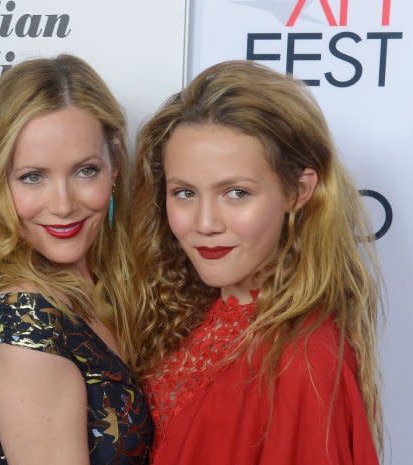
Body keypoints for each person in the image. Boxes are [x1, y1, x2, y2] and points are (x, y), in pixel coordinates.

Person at [130, 60, 382, 465]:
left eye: (236, 193)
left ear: (297, 192)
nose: (206, 224)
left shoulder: (304, 362)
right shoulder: (193, 309)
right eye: (184, 193)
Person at [0, 54, 153, 465]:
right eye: (33, 177)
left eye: (85, 171)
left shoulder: (110, 281)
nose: (63, 205)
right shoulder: (25, 321)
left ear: (115, 165)